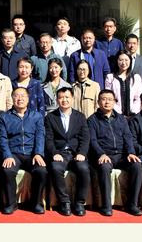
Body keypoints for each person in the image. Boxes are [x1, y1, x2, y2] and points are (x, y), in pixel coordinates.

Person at [87, 89, 142, 217]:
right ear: (98, 102)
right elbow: (92, 141)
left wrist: (131, 152)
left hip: (122, 155)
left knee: (136, 166)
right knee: (104, 167)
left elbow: (128, 137)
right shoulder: (92, 120)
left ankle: (132, 204)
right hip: (105, 155)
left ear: (114, 102)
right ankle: (106, 205)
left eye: (110, 99)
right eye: (103, 99)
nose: (107, 102)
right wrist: (101, 154)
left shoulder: (121, 119)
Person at [0, 87, 48, 215]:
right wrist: (7, 155)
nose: (20, 99)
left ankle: (36, 203)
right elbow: (2, 138)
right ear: (12, 98)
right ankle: (11, 204)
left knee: (41, 171)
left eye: (23, 96)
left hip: (32, 154)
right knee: (7, 171)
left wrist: (38, 153)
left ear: (28, 98)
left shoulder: (36, 116)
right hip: (14, 153)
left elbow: (40, 136)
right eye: (16, 96)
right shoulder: (4, 117)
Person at [44, 87, 90, 217]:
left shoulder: (80, 116)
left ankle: (79, 202)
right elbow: (48, 139)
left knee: (84, 169)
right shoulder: (50, 117)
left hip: (76, 153)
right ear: (57, 99)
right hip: (60, 153)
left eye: (67, 97)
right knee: (55, 168)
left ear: (72, 99)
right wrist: (54, 153)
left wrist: (82, 153)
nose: (64, 100)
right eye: (61, 97)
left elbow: (85, 138)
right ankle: (64, 202)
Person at [105, 50, 142, 116]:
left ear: (130, 61)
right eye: (121, 60)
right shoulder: (110, 77)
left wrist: (134, 111)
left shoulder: (136, 78)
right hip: (115, 115)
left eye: (126, 60)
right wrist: (118, 112)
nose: (123, 63)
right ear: (117, 61)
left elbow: (138, 98)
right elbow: (109, 97)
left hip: (133, 115)